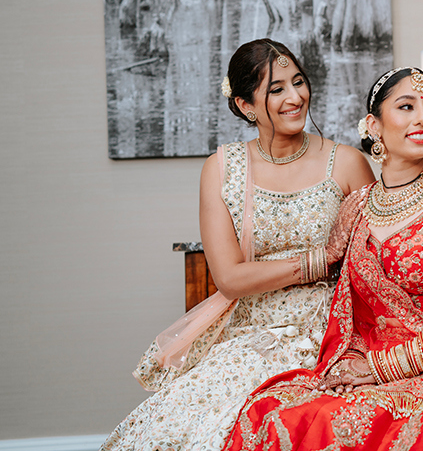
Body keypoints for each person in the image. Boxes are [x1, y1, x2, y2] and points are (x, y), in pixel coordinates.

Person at [219, 67, 423, 451]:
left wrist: (381, 369)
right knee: (274, 413)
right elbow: (348, 307)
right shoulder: (356, 207)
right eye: (406, 106)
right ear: (373, 125)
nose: (422, 119)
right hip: (365, 361)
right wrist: (349, 366)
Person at [102, 39, 375, 451]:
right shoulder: (221, 168)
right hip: (255, 330)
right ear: (247, 106)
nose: (295, 97)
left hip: (332, 327)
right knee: (183, 426)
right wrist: (322, 259)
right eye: (276, 89)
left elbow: (378, 257)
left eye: (298, 82)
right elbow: (230, 278)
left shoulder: (348, 162)